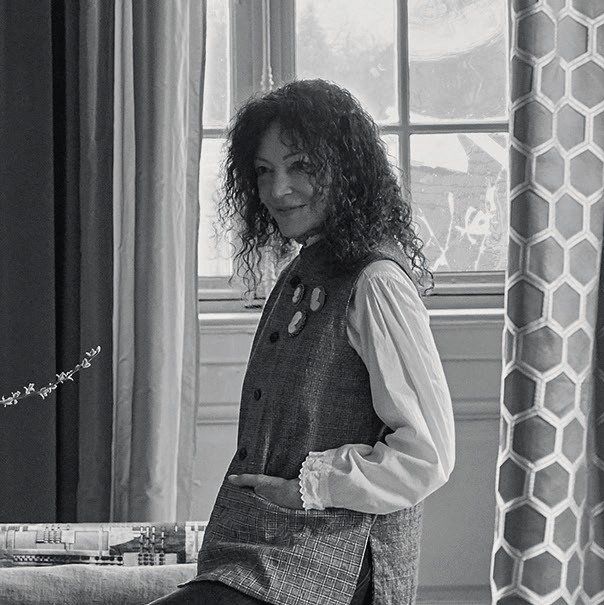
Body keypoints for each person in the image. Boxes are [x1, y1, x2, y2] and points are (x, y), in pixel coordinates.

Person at [149, 79, 455, 605]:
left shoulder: (376, 282)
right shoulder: (306, 268)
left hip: (334, 565)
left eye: (300, 167)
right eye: (264, 171)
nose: (277, 190)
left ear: (346, 170)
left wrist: (309, 487)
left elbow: (427, 455)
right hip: (267, 552)